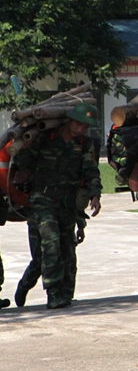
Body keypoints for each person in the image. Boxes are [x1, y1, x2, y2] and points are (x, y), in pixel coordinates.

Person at [12, 103, 102, 309]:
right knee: (50, 246)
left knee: (67, 251)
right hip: (43, 201)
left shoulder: (84, 144)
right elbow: (24, 163)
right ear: (70, 120)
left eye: (86, 127)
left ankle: (65, 293)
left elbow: (90, 171)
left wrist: (95, 194)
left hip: (68, 203)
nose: (83, 129)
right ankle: (53, 293)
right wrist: (24, 147)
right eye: (80, 124)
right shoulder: (45, 138)